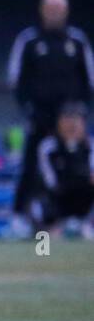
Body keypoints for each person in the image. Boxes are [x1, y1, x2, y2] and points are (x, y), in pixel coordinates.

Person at [7, 0, 94, 230]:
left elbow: (88, 80)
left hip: (72, 123)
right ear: (42, 10)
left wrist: (80, 113)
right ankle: (20, 216)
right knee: (30, 165)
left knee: (80, 168)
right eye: (50, 8)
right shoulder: (30, 41)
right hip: (40, 118)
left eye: (59, 8)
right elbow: (17, 80)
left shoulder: (77, 41)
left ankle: (79, 218)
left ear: (66, 11)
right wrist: (30, 110)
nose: (55, 13)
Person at [31, 100, 94, 239]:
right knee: (38, 203)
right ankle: (52, 228)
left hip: (85, 199)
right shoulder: (48, 147)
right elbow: (50, 182)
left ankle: (87, 225)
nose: (72, 125)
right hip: (58, 199)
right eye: (66, 119)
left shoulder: (90, 146)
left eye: (76, 120)